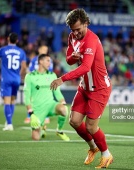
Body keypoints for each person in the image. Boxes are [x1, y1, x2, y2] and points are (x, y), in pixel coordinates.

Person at [50, 8, 113, 169]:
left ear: (86, 23)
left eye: (78, 29)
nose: (75, 33)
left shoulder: (92, 40)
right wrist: (73, 57)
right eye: (73, 30)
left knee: (91, 126)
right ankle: (93, 147)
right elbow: (69, 59)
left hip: (99, 88)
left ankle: (106, 155)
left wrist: (62, 78)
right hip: (85, 87)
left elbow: (85, 68)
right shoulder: (72, 36)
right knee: (74, 121)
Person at [0, 32, 27, 131]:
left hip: (6, 79)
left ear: (8, 39)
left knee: (6, 101)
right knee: (12, 100)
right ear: (17, 41)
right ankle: (8, 120)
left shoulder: (2, 50)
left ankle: (9, 124)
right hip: (16, 79)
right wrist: (19, 76)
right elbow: (24, 67)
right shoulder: (21, 52)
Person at [23, 53, 70, 141]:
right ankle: (42, 127)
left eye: (50, 61)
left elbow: (57, 93)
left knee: (64, 110)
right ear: (41, 61)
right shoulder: (30, 76)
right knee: (36, 138)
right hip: (38, 109)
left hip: (50, 105)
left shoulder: (52, 75)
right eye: (48, 61)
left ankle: (59, 131)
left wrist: (63, 102)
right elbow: (26, 96)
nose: (49, 63)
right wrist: (31, 114)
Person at [24, 45, 53, 124]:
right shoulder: (34, 60)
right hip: (34, 82)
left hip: (44, 82)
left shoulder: (48, 60)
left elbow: (50, 72)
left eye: (46, 50)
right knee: (31, 98)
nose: (45, 51)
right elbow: (30, 71)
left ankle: (46, 116)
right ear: (39, 50)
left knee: (45, 98)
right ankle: (29, 116)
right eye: (44, 49)